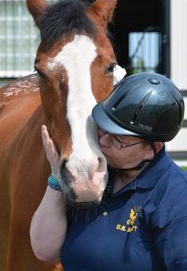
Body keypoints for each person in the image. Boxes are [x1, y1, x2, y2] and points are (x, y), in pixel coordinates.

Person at [30, 72, 187, 271]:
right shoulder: (96, 177)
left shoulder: (176, 198)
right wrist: (56, 178)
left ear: (151, 149)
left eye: (117, 140)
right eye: (102, 130)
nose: (102, 143)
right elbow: (45, 251)